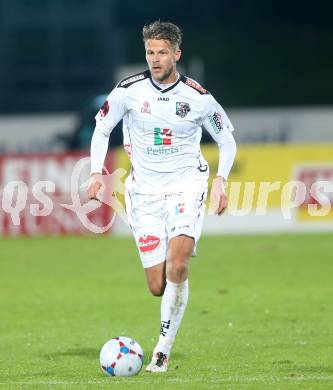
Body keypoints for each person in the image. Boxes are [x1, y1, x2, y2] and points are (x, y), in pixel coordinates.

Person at [88, 21, 236, 373]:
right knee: (157, 285)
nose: (155, 59)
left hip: (187, 184)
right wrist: (96, 172)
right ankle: (174, 292)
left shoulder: (197, 97)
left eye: (162, 52)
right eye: (150, 52)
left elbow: (227, 138)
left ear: (176, 54)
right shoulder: (128, 91)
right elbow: (102, 127)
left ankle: (162, 351)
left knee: (179, 261)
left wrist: (220, 180)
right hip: (144, 195)